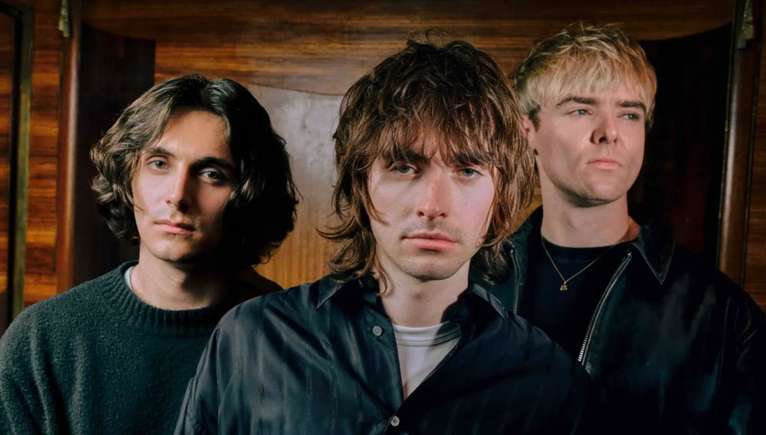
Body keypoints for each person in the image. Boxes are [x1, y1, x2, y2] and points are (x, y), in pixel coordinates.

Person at [175, 39, 590, 434]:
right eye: (404, 167)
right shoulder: (253, 340)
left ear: (501, 195)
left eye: (467, 171)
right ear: (361, 184)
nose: (432, 205)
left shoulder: (550, 382)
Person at [496, 23, 766, 434]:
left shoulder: (721, 314)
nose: (609, 133)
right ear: (528, 130)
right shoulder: (476, 284)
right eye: (581, 110)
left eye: (629, 114)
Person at [0, 74, 298, 434]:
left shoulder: (291, 339)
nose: (178, 195)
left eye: (211, 173)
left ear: (249, 194)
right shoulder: (41, 341)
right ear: (129, 179)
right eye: (159, 163)